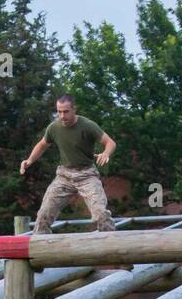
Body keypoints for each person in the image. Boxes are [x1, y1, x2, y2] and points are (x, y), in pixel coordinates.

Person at [20, 94, 117, 235]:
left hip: (87, 175)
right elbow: (42, 145)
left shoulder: (87, 125)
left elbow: (110, 142)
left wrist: (106, 153)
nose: (62, 116)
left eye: (65, 112)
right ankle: (42, 247)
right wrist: (29, 160)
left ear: (74, 109)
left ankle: (110, 242)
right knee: (43, 215)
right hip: (64, 176)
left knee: (100, 213)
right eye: (59, 112)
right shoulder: (53, 128)